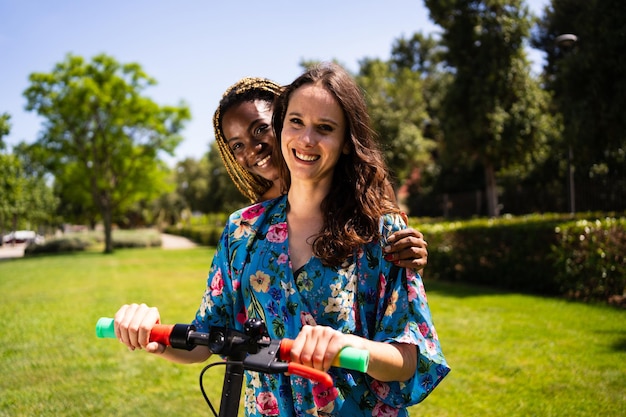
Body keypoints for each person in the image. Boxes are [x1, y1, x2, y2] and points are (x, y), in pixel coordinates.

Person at [114, 62, 449, 417]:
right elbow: (207, 337)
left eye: (325, 127)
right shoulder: (242, 231)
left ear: (346, 142)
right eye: (297, 122)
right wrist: (152, 333)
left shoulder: (381, 231)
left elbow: (410, 357)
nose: (306, 139)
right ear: (284, 124)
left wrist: (344, 345)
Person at [213, 76, 428, 271]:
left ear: (282, 120)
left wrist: (412, 255)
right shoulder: (250, 223)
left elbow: (394, 271)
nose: (252, 149)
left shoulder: (365, 187)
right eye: (238, 145)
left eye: (260, 129)